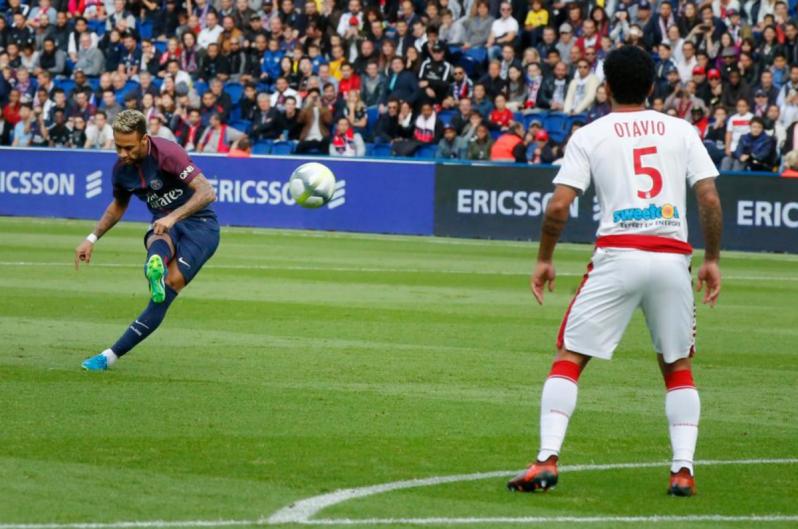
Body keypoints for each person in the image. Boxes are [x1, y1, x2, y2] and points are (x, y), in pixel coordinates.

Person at [506, 46, 722, 497]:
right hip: (670, 258)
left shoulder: (590, 134)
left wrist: (545, 257)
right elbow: (708, 199)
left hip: (617, 256)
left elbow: (560, 205)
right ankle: (682, 470)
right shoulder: (681, 130)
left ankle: (546, 460)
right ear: (651, 87)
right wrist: (713, 259)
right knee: (677, 365)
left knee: (569, 358)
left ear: (605, 87)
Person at [76, 110, 219, 371]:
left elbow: (207, 191)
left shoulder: (168, 153)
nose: (122, 154)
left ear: (144, 139)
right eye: (118, 147)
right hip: (163, 225)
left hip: (201, 227)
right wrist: (92, 238)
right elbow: (118, 206)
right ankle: (155, 263)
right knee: (158, 234)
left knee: (168, 287)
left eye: (128, 148)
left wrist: (174, 216)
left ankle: (110, 355)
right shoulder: (121, 170)